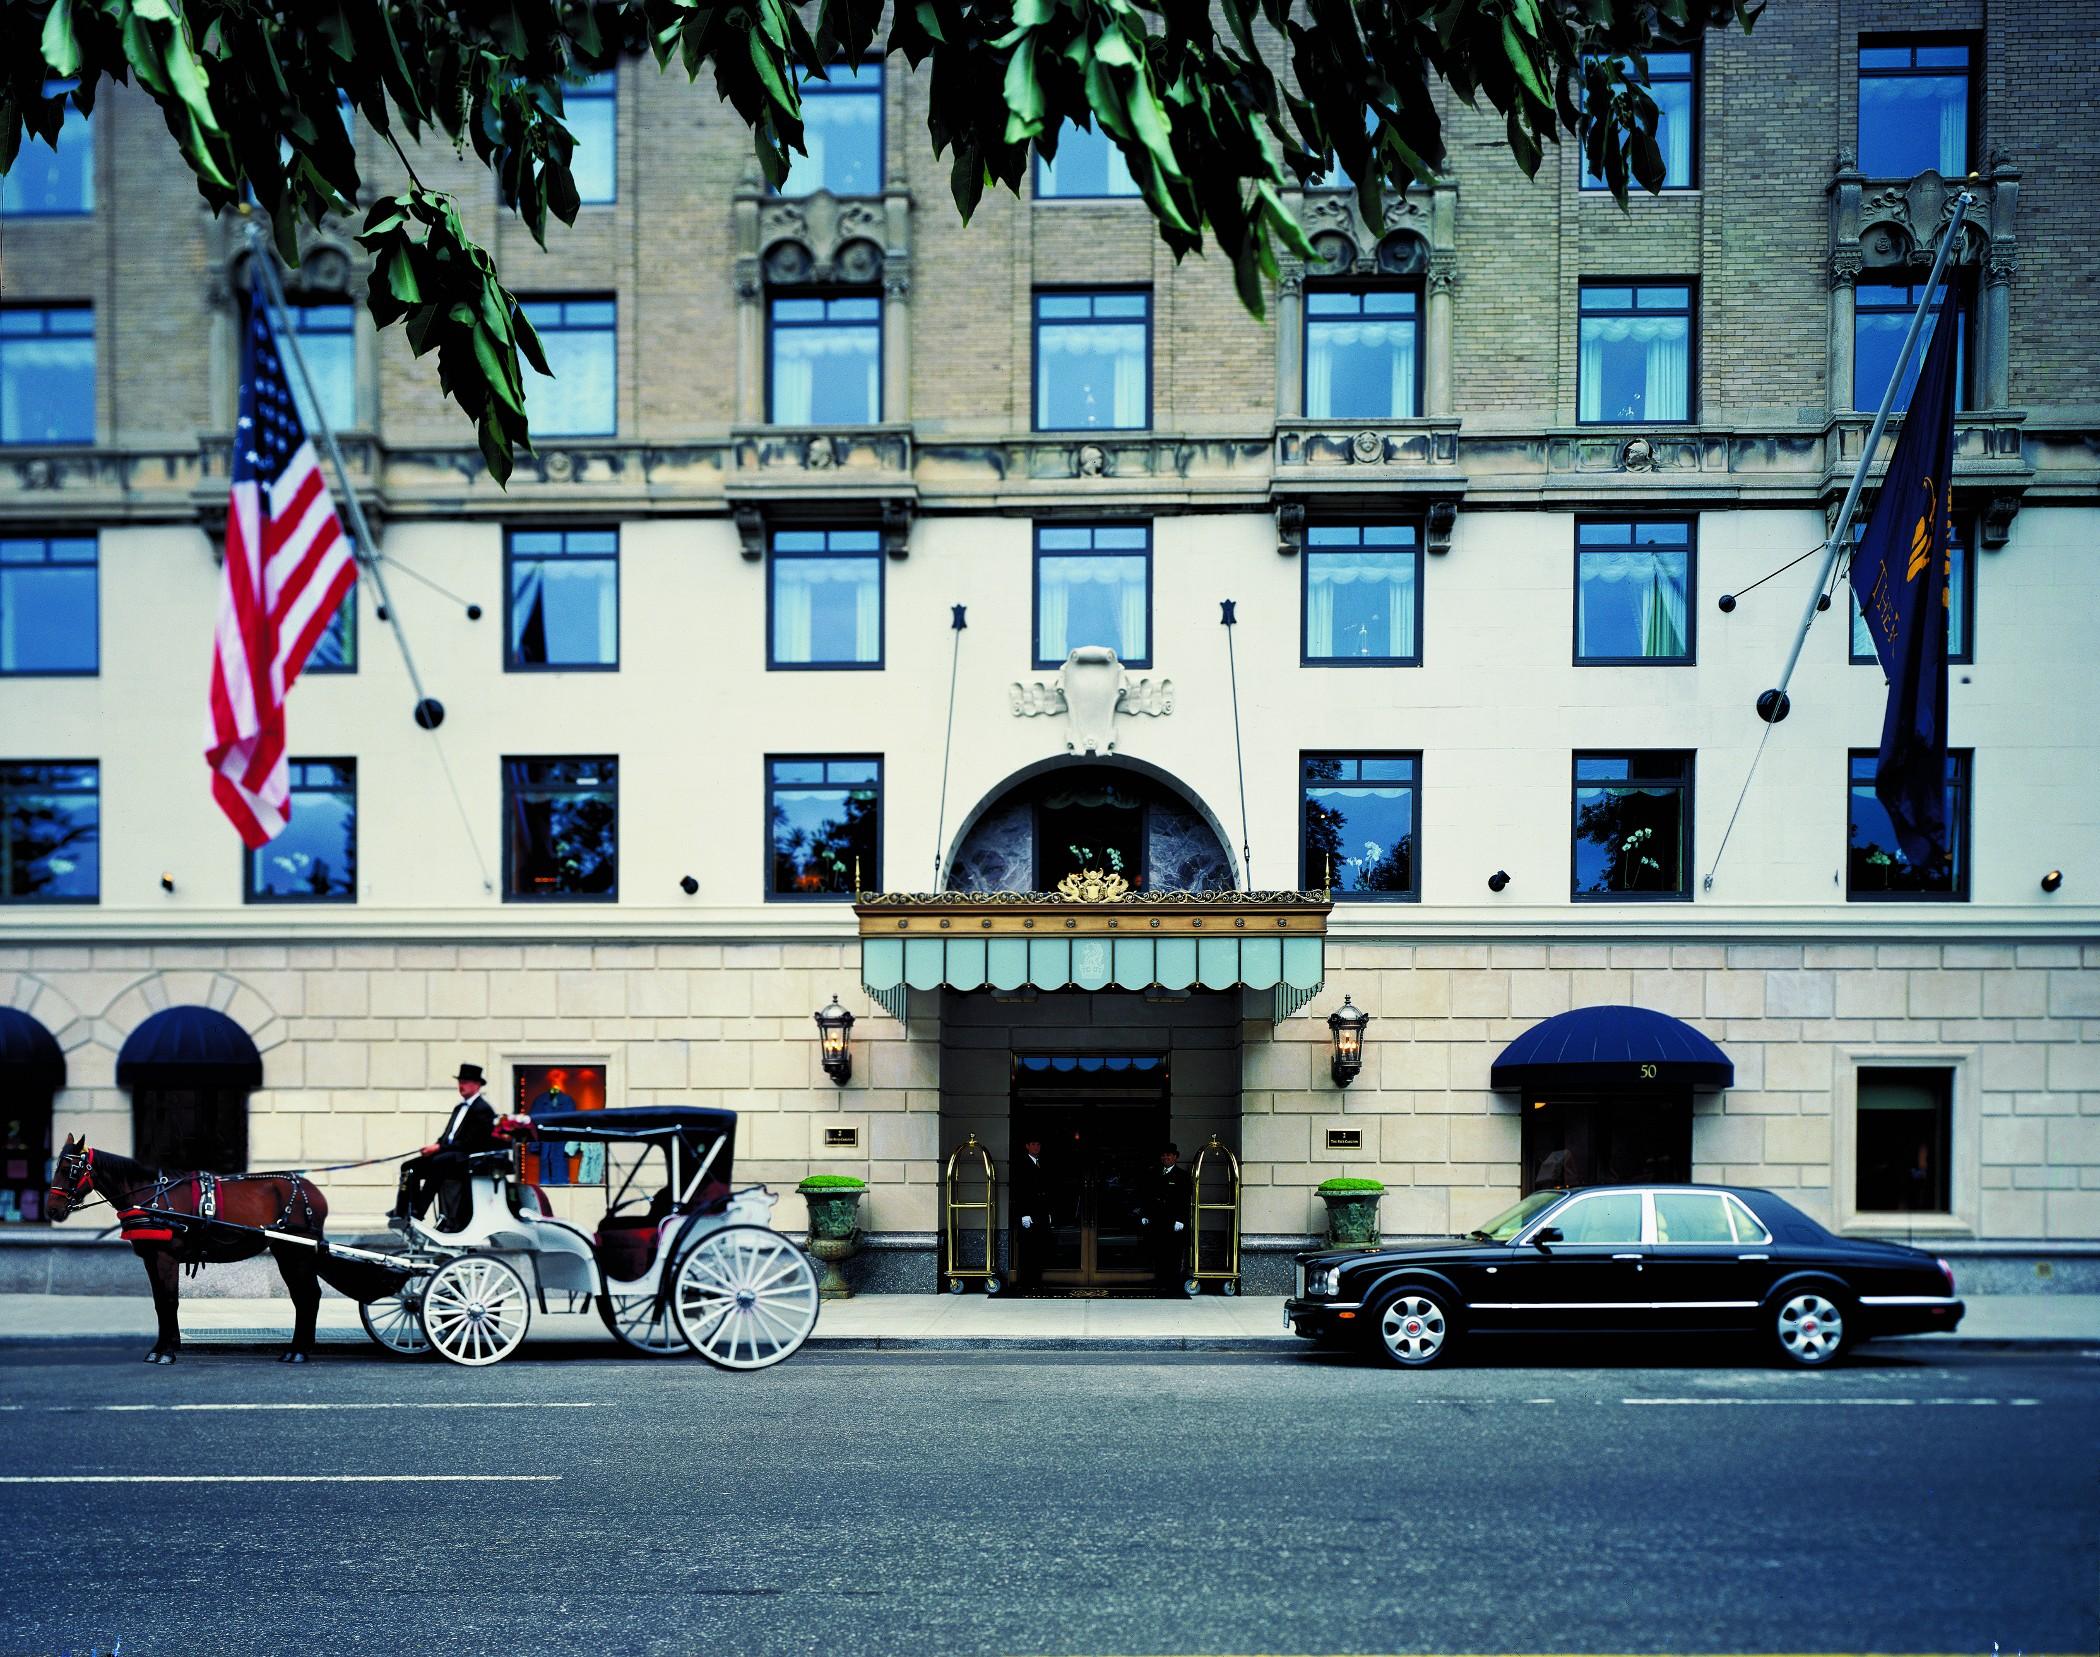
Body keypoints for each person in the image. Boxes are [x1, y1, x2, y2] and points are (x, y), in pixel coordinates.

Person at [391, 1062, 511, 1229]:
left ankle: (419, 1210)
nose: (461, 1085)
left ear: (476, 1085)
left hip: (465, 1158)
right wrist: (435, 1145)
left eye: (466, 1082)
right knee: (409, 1166)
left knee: (440, 1162)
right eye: (460, 1081)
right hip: (448, 1154)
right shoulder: (459, 1108)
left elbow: (471, 1142)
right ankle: (403, 1209)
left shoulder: (482, 1109)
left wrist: (439, 1149)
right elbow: (448, 1136)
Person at [1139, 1141, 1193, 1292]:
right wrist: (1145, 1214)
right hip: (1156, 1219)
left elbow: (1184, 1199)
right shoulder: (1153, 1173)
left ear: (1175, 1157)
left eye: (1169, 1155)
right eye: (1163, 1155)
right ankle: (1160, 1280)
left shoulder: (1182, 1176)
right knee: (1158, 1250)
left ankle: (1172, 1282)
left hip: (1173, 1221)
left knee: (1173, 1252)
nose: (1165, 1158)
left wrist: (1181, 1219)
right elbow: (1146, 1196)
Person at [1010, 1135, 1052, 1292]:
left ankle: (1036, 1280)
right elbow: (1020, 1191)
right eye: (1033, 1144)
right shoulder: (1022, 1164)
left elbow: (1045, 1191)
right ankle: (1026, 1281)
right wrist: (1023, 1214)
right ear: (1027, 1146)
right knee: (1027, 1249)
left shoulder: (1040, 1163)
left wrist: (1047, 1212)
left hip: (1040, 1213)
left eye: (1038, 1144)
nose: (1036, 1147)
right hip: (1028, 1213)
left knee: (1038, 1248)